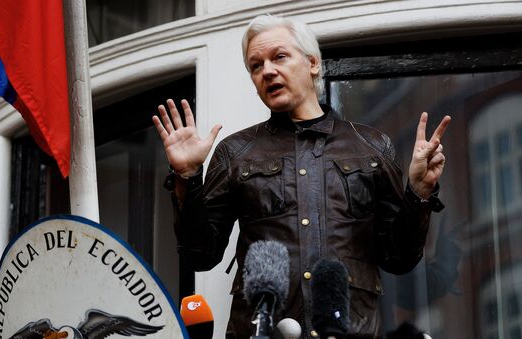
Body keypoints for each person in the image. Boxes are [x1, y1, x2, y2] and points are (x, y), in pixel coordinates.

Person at [152, 15, 450, 338]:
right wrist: (188, 178)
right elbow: (200, 254)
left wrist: (419, 192)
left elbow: (400, 258)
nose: (267, 71)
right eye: (256, 65)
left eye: (279, 57)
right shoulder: (235, 152)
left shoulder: (372, 147)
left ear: (312, 63)